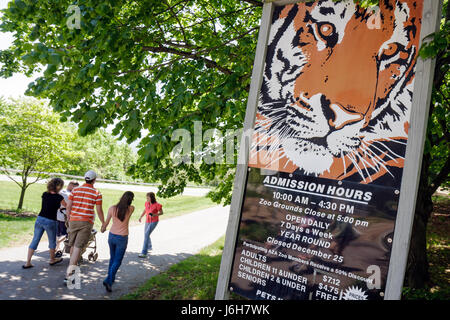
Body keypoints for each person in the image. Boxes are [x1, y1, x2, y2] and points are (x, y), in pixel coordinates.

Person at [64, 170, 105, 284]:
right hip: (86, 222)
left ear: (85, 178)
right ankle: (69, 275)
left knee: (72, 245)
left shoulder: (75, 190)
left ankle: (72, 269)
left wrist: (68, 218)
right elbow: (99, 210)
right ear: (94, 180)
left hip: (73, 220)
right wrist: (103, 222)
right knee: (78, 248)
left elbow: (68, 206)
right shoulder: (96, 193)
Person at [23, 178, 66, 269]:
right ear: (59, 186)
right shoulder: (59, 197)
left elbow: (48, 205)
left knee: (35, 240)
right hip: (51, 221)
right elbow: (66, 206)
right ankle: (52, 259)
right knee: (52, 241)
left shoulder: (45, 194)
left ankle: (28, 262)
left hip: (40, 218)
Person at [101, 191, 135, 292]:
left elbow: (106, 223)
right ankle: (108, 280)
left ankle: (111, 278)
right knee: (117, 261)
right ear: (131, 200)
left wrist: (103, 229)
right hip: (122, 238)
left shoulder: (112, 208)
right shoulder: (131, 209)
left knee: (112, 258)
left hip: (111, 236)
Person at [55, 181, 79, 257]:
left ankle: (56, 247)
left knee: (57, 233)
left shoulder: (60, 192)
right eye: (76, 187)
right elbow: (71, 206)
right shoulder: (68, 194)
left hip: (57, 215)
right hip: (64, 216)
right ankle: (58, 244)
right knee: (65, 233)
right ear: (72, 186)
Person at [138, 192, 163, 258]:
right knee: (146, 234)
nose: (147, 199)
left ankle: (144, 252)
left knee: (146, 234)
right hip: (147, 221)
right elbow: (145, 210)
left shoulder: (157, 205)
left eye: (148, 198)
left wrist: (154, 215)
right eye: (146, 197)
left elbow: (161, 213)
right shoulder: (146, 203)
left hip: (154, 221)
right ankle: (149, 247)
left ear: (152, 198)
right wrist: (141, 217)